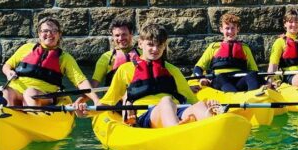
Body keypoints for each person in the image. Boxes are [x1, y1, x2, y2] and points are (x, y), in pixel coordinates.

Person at [82, 23, 219, 127]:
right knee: (166, 101)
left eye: (159, 45)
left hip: (176, 109)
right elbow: (109, 101)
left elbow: (191, 100)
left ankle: (213, 133)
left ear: (164, 46)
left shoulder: (172, 70)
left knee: (200, 105)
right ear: (140, 43)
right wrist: (85, 111)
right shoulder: (125, 69)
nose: (155, 49)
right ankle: (176, 135)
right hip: (146, 114)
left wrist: (208, 106)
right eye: (150, 45)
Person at [1, 16, 100, 108]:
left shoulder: (64, 58)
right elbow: (7, 65)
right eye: (45, 31)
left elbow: (81, 82)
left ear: (59, 35)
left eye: (54, 31)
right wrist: (8, 72)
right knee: (4, 91)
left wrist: (96, 99)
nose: (49, 34)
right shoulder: (26, 48)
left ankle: (33, 120)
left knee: (30, 93)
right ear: (39, 34)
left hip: (44, 95)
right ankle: (6, 117)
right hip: (17, 89)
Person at [193, 13, 262, 92]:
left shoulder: (245, 48)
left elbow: (254, 71)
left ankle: (254, 98)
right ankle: (233, 96)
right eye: (227, 28)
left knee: (252, 75)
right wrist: (201, 78)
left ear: (238, 29)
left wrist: (265, 82)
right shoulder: (214, 47)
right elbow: (197, 68)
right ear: (221, 29)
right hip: (219, 81)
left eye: (233, 28)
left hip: (239, 81)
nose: (230, 31)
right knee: (221, 78)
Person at [91, 17, 141, 88]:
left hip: (137, 97)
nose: (120, 38)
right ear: (113, 37)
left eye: (124, 34)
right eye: (117, 35)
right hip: (114, 98)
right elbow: (94, 85)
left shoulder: (143, 54)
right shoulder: (106, 57)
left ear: (131, 34)